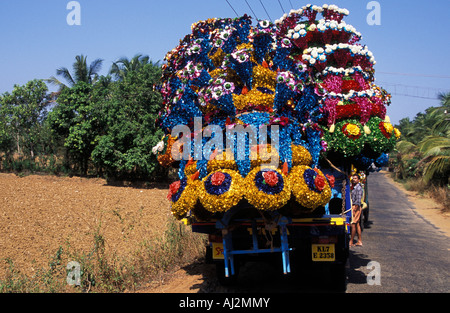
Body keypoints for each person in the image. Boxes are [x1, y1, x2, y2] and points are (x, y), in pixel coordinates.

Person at [350, 173, 363, 247]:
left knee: (353, 224)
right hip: (355, 207)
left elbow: (358, 201)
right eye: (353, 178)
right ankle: (359, 241)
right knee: (357, 224)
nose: (354, 179)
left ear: (358, 180)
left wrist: (355, 210)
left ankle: (351, 241)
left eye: (355, 178)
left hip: (356, 207)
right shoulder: (354, 187)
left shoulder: (358, 188)